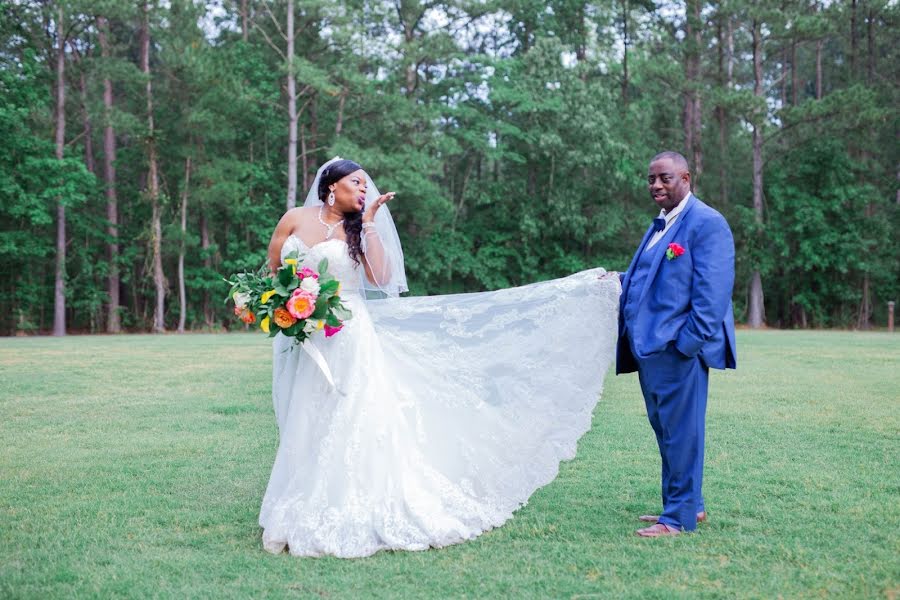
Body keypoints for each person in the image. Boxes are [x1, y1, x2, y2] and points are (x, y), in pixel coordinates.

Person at [258, 157, 621, 557]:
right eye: (357, 183)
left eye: (366, 186)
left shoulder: (357, 229)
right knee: (307, 415)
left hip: (348, 333)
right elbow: (275, 271)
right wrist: (286, 305)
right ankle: (302, 502)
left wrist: (371, 223)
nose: (365, 190)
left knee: (353, 414)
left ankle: (357, 504)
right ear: (331, 185)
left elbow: (380, 279)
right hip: (306, 336)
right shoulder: (293, 218)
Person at [616, 151, 736, 537]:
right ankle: (687, 506)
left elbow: (712, 298)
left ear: (686, 178)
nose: (656, 186)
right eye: (651, 179)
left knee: (682, 434)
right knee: (667, 432)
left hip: (678, 353)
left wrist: (685, 346)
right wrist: (615, 280)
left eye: (664, 178)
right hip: (649, 352)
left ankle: (678, 520)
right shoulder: (660, 225)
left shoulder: (706, 223)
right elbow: (649, 277)